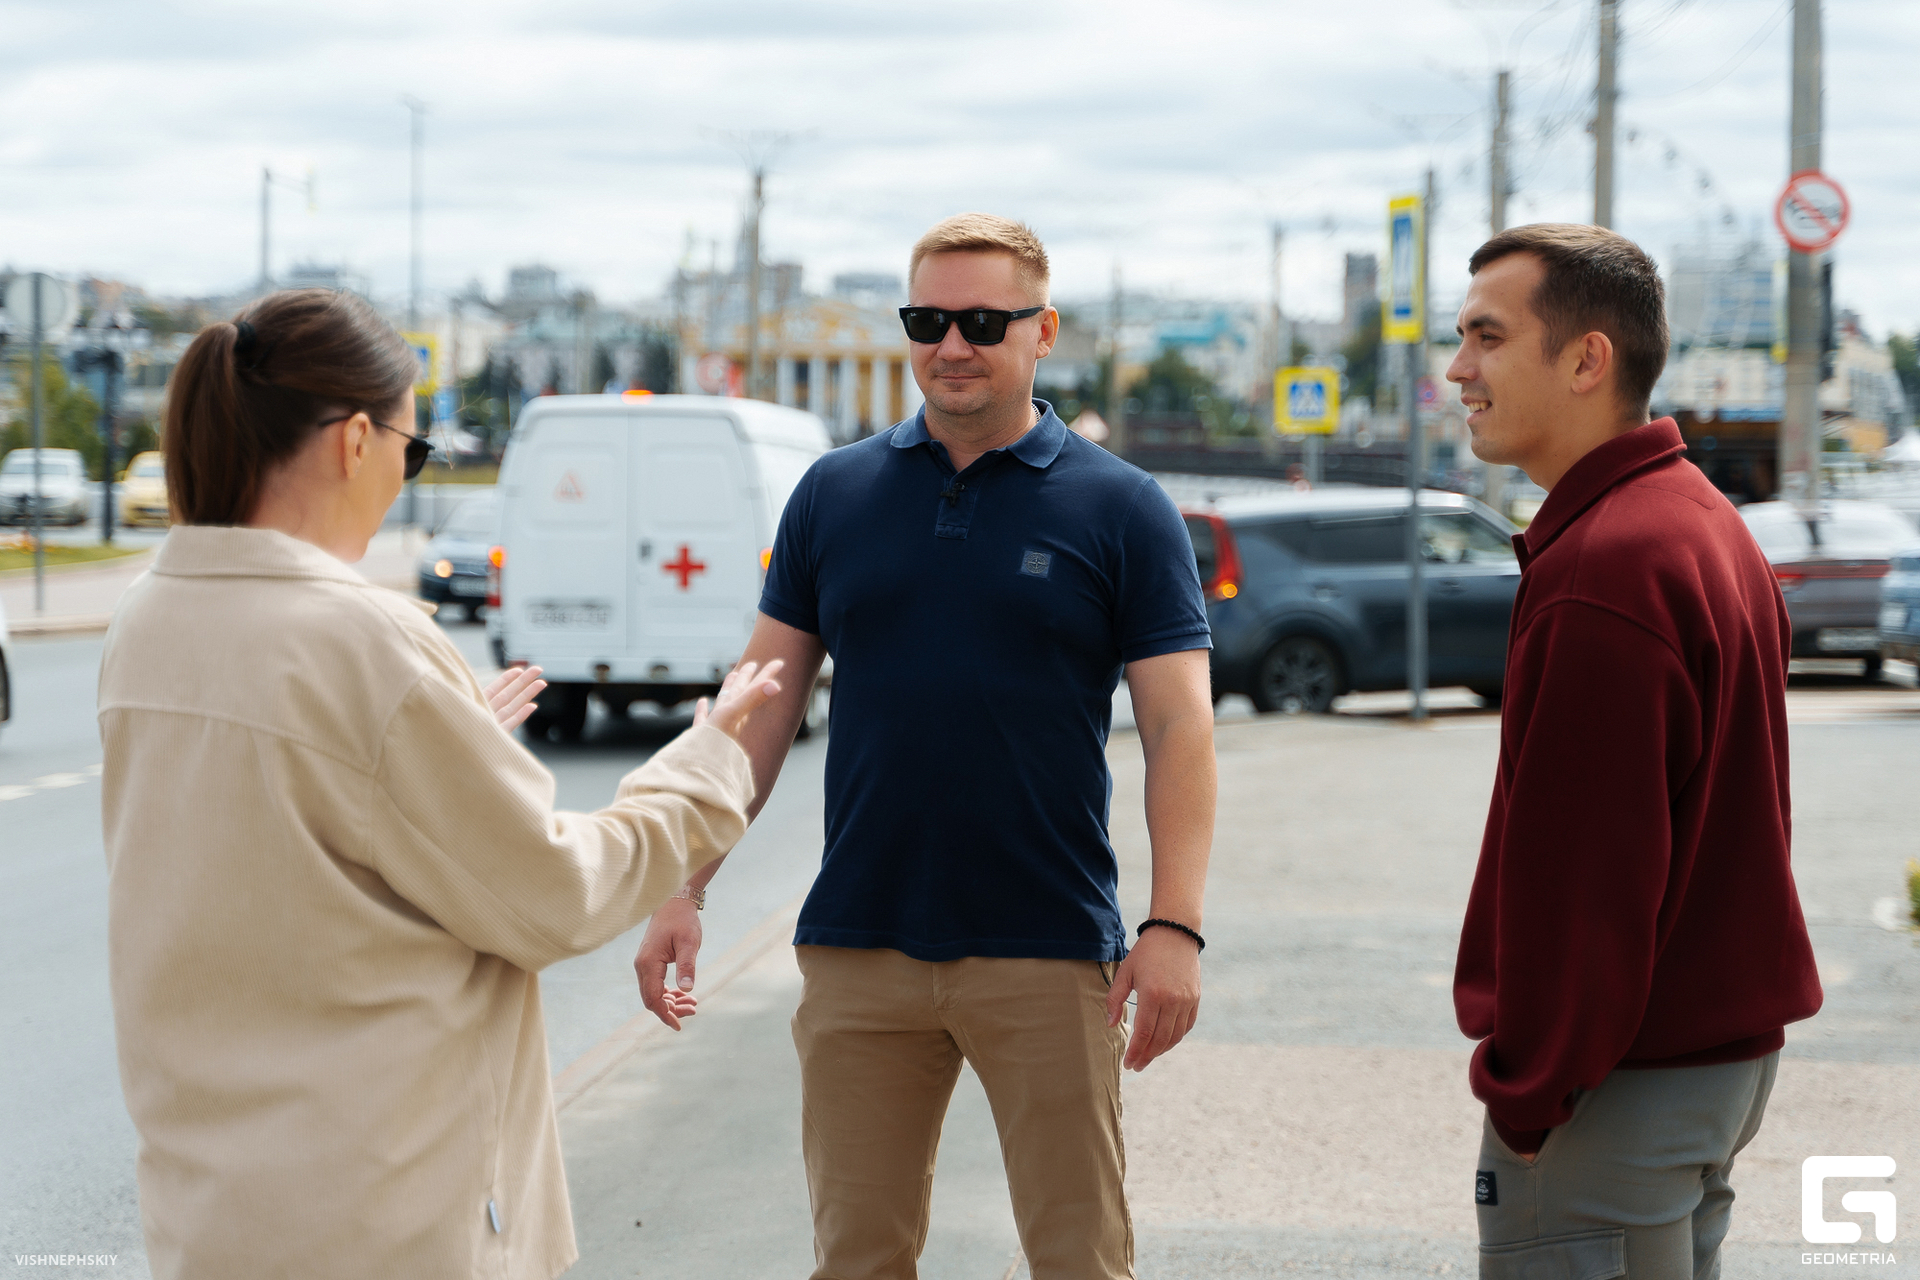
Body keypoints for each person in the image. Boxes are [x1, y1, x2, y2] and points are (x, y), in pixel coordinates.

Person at [98, 288, 783, 1280]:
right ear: (354, 440)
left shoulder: (146, 620)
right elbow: (554, 894)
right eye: (412, 451)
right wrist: (704, 761)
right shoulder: (365, 642)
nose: (402, 476)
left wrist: (448, 741)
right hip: (385, 1209)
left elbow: (277, 834)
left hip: (207, 1209)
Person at [633, 214, 1217, 1279]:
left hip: (1047, 948)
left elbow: (1181, 729)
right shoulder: (834, 493)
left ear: (1043, 332)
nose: (952, 344)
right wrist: (685, 882)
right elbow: (758, 706)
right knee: (856, 1260)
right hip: (860, 944)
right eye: (927, 320)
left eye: (983, 323)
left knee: (1079, 1260)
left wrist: (1173, 923)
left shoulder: (1123, 508)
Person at [1445, 225, 1822, 1278]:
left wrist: (1530, 1093)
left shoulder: (1605, 566)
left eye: (1487, 336)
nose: (1459, 369)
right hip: (1708, 1066)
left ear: (1586, 360)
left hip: (1616, 1086)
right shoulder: (1702, 521)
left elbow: (1588, 880)